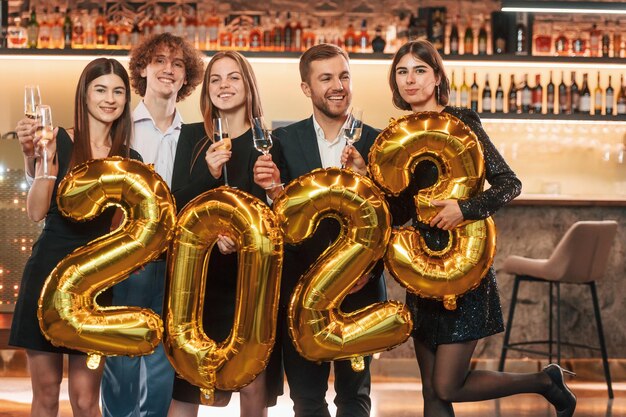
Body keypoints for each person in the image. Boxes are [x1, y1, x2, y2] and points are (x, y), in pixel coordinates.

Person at [386, 39, 576, 417]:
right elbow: (403, 207)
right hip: (421, 269)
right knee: (431, 391)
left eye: (420, 70)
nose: (410, 79)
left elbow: (510, 183)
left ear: (437, 77)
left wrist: (465, 209)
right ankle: (546, 382)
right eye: (402, 71)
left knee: (447, 385)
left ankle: (544, 382)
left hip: (465, 267)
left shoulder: (462, 121)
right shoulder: (397, 134)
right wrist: (365, 173)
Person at [253, 43, 385, 417]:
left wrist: (368, 268)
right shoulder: (283, 141)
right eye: (325, 78)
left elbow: (391, 216)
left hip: (360, 292)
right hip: (301, 293)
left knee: (355, 398)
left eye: (344, 76)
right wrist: (274, 189)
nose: (337, 85)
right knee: (307, 400)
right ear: (306, 88)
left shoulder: (377, 142)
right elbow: (281, 221)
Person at [9, 57, 140, 417]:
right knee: (47, 395)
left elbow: (123, 231)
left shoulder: (131, 160)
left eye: (118, 91)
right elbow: (36, 212)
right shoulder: (59, 140)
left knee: (85, 400)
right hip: (46, 276)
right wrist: (44, 166)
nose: (109, 99)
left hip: (94, 287)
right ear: (84, 95)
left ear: (126, 99)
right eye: (100, 89)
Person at [167, 50, 283, 417]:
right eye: (215, 79)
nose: (223, 86)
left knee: (252, 383)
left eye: (233, 77)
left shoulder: (269, 142)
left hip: (252, 282)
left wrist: (273, 191)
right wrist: (209, 174)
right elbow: (175, 205)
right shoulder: (190, 138)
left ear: (247, 85)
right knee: (188, 386)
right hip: (198, 281)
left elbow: (279, 214)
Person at [99, 33, 205, 417]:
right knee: (123, 356)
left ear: (186, 77)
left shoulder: (198, 138)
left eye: (178, 64)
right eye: (159, 60)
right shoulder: (118, 127)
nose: (168, 69)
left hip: (177, 263)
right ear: (142, 68)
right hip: (126, 260)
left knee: (164, 360)